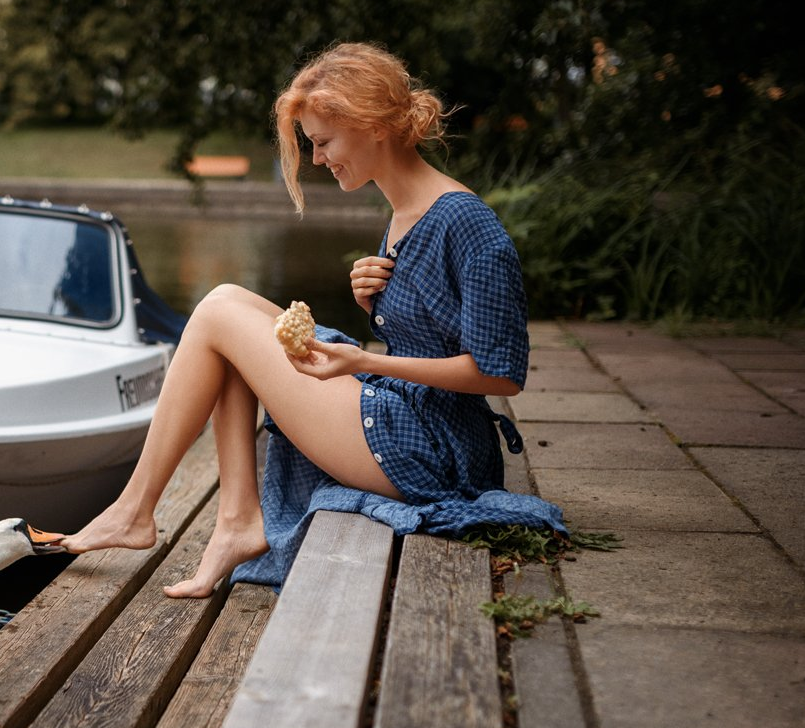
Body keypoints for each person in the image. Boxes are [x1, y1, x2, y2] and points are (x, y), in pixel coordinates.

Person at [60, 42, 560, 596]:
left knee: (220, 311)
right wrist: (376, 307)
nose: (318, 159)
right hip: (408, 417)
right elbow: (433, 333)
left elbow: (501, 373)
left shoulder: (469, 225)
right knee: (229, 312)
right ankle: (236, 520)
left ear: (372, 126)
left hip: (435, 451)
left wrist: (367, 358)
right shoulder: (403, 216)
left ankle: (142, 511)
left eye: (323, 142)